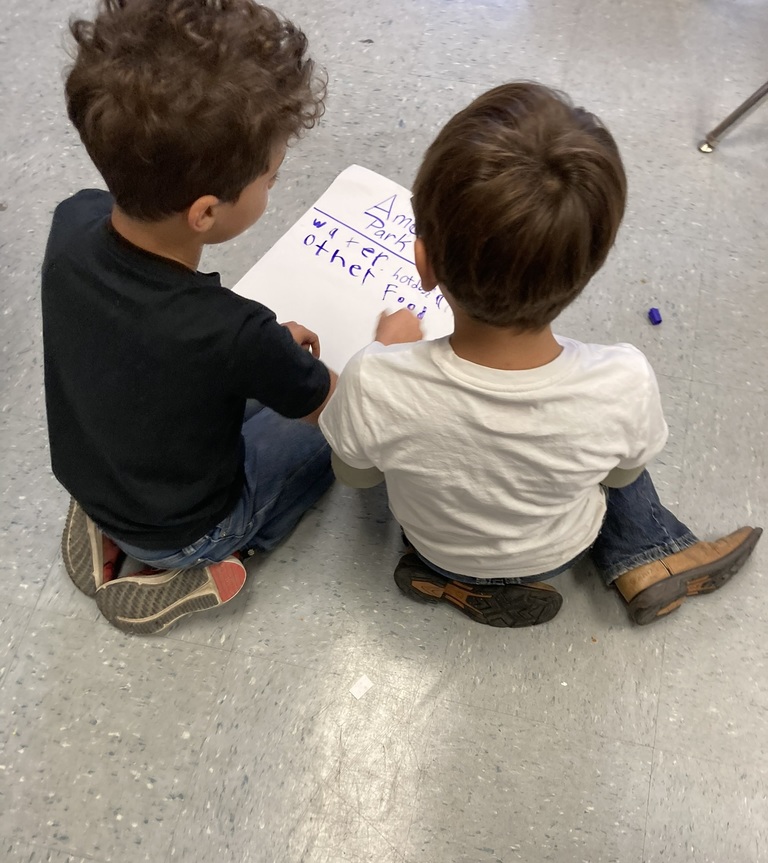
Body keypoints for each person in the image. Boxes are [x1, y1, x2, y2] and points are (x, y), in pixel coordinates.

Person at [319, 83, 762, 628]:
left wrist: (389, 349)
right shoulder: (622, 378)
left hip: (436, 545)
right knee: (623, 447)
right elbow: (621, 481)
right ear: (589, 271)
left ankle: (448, 582)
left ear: (424, 264)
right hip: (559, 552)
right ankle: (645, 556)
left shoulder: (373, 378)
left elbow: (356, 476)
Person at [43, 0, 339, 635]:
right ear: (205, 213)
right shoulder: (234, 331)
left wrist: (263, 354)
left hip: (95, 473)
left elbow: (143, 341)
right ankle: (200, 565)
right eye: (271, 177)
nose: (273, 188)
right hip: (189, 526)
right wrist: (384, 348)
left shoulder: (72, 219)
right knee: (332, 442)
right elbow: (331, 403)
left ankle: (110, 529)